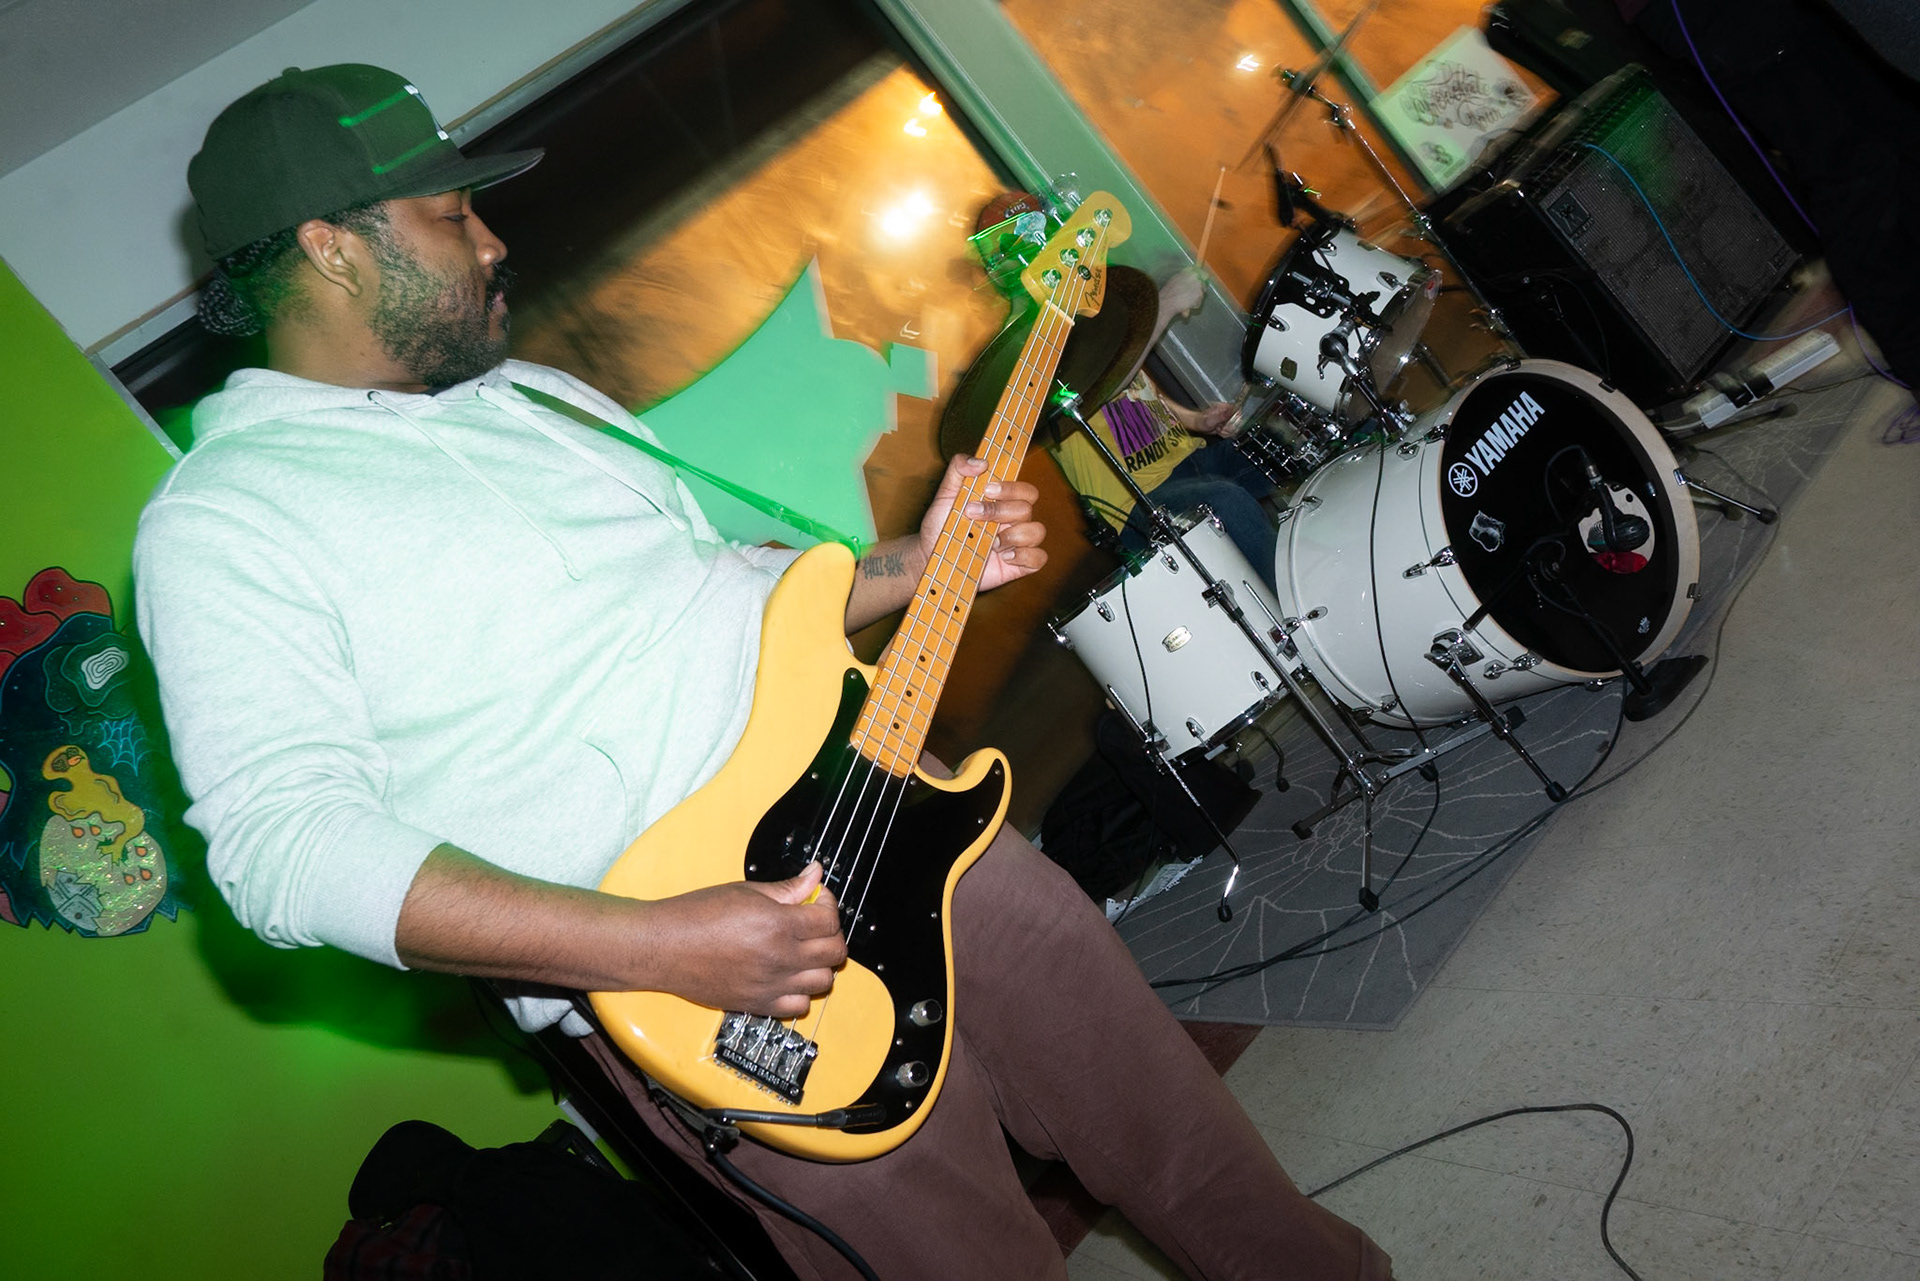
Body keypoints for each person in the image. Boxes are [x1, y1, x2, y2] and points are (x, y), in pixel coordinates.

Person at [136, 64, 1391, 1280]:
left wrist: (913, 565)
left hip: (902, 819)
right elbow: (282, 846)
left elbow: (728, 590)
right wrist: (653, 947)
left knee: (1183, 1143)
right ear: (334, 247)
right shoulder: (225, 517)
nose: (494, 240)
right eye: (453, 214)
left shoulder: (533, 399)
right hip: (721, 985)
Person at [947, 194, 1279, 586]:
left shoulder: (1087, 305)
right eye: (1030, 242)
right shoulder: (1025, 344)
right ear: (1002, 267)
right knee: (1226, 500)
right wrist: (1167, 303)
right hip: (1136, 501)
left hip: (1190, 457)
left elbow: (1137, 391)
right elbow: (1098, 394)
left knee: (1279, 447)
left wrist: (1197, 420)